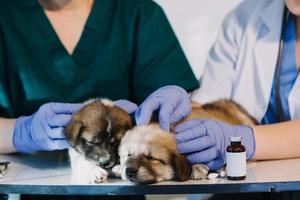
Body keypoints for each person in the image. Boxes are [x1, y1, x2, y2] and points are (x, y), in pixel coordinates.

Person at [0, 0, 199, 154]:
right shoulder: (6, 15)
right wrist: (21, 133)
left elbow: (170, 122)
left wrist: (170, 116)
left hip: (119, 186)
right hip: (21, 187)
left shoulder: (137, 13)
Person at [174, 0, 300, 173]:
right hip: (248, 180)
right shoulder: (245, 17)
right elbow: (207, 104)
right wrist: (178, 114)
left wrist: (246, 140)